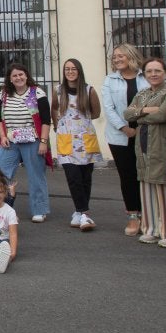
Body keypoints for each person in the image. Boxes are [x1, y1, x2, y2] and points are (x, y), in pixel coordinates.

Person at [124, 58, 166, 246]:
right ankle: (151, 229)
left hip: (163, 143)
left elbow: (163, 115)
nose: (153, 74)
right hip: (143, 143)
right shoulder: (142, 93)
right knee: (146, 184)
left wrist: (139, 115)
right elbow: (127, 114)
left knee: (163, 185)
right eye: (149, 71)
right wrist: (146, 110)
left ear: (165, 72)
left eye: (157, 71)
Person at [0, 63, 52, 223]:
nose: (18, 78)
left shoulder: (37, 93)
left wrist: (43, 142)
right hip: (10, 140)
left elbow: (46, 120)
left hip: (33, 140)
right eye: (14, 75)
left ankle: (39, 210)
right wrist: (2, 136)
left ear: (26, 75)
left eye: (21, 74)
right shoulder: (4, 94)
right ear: (10, 79)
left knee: (35, 175)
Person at [54, 58, 103, 231]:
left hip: (85, 140)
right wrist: (58, 126)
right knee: (73, 177)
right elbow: (54, 109)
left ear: (79, 71)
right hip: (66, 141)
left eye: (73, 69)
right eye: (67, 69)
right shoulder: (58, 90)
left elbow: (96, 113)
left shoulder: (89, 90)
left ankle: (79, 212)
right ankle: (85, 213)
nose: (70, 72)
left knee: (85, 179)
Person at [101, 43, 146, 236]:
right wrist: (124, 128)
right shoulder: (110, 80)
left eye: (121, 56)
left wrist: (140, 127)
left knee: (146, 175)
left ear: (131, 55)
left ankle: (149, 215)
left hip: (146, 133)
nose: (117, 59)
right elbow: (108, 108)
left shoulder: (145, 77)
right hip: (120, 136)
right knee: (127, 176)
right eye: (115, 57)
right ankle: (133, 216)